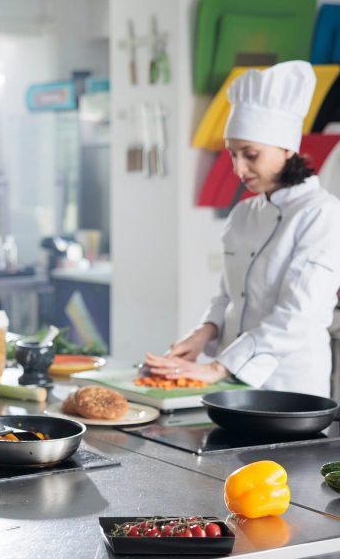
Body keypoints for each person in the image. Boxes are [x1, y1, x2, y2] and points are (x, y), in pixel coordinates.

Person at [145, 61, 340, 397]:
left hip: (290, 386)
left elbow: (300, 314)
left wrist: (218, 367)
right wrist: (203, 332)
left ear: (287, 148)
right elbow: (228, 295)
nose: (238, 168)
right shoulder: (243, 213)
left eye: (250, 154)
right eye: (232, 154)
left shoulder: (320, 214)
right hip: (232, 381)